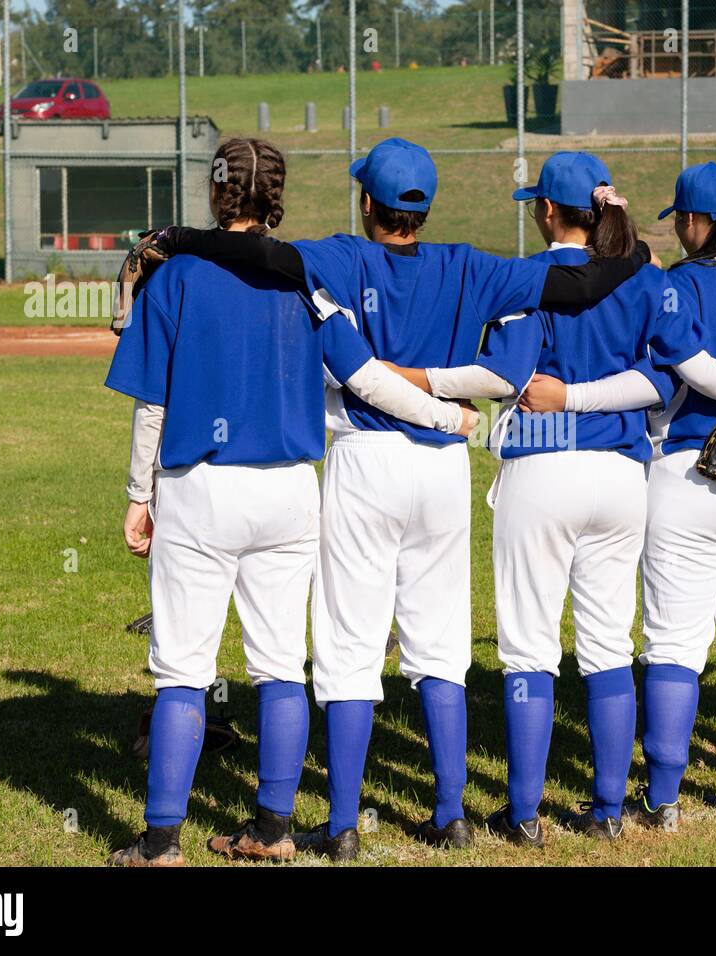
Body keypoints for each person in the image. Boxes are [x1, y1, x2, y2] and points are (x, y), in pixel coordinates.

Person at [151, 137, 655, 859]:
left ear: (367, 203)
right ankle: (449, 814)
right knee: (442, 647)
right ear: (425, 207)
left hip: (365, 461)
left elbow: (260, 257)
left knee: (351, 649)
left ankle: (344, 823)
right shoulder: (469, 266)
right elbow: (577, 288)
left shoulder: (341, 257)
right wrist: (634, 258)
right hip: (445, 467)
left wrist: (176, 238)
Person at [384, 152, 716, 845]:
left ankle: (524, 813)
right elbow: (663, 382)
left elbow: (501, 375)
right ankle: (606, 808)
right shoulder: (646, 279)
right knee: (606, 646)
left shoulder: (530, 278)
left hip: (543, 471)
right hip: (621, 475)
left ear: (547, 211)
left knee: (530, 649)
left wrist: (415, 379)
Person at [102, 137, 475, 867]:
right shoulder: (309, 282)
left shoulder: (177, 277)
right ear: (277, 201)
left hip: (201, 486)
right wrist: (448, 417)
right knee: (280, 666)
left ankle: (160, 843)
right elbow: (367, 379)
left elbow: (152, 405)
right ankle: (272, 829)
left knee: (183, 668)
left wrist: (137, 495)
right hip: (288, 492)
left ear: (216, 198)